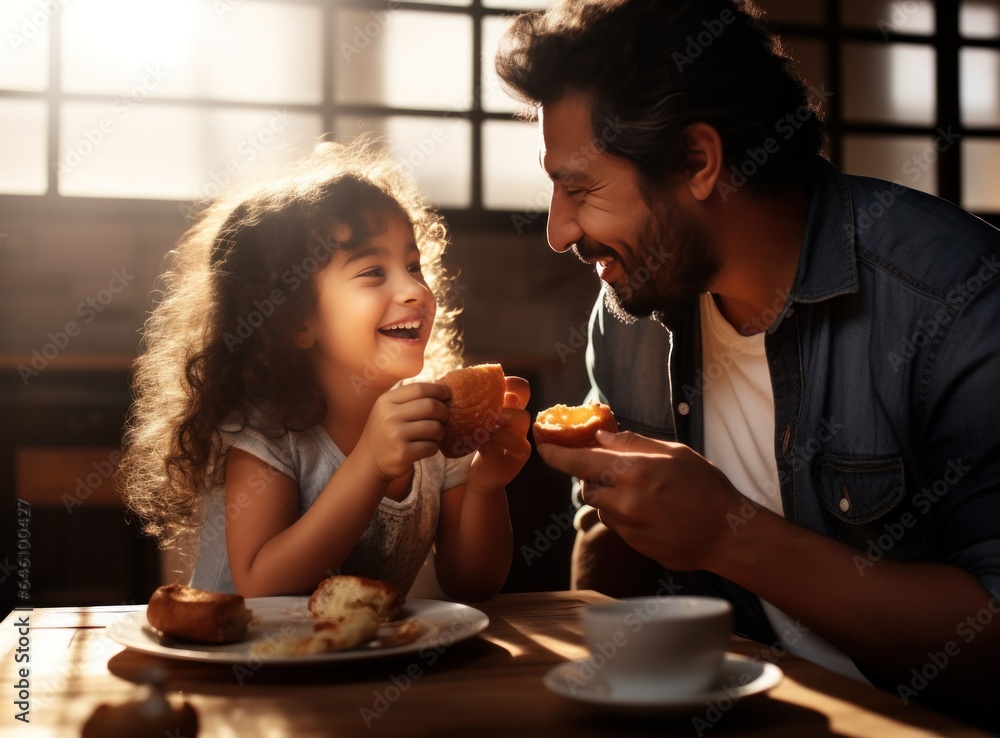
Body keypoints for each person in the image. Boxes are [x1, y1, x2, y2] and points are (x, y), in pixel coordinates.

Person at [496, 0, 1000, 725]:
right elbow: (612, 565)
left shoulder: (954, 303)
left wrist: (728, 532)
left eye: (580, 188)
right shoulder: (633, 311)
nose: (557, 231)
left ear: (699, 162)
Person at [119, 141, 531, 602]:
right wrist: (370, 465)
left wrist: (485, 485)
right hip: (243, 666)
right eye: (374, 271)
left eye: (413, 266)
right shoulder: (267, 434)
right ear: (296, 319)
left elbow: (471, 583)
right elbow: (261, 587)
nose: (414, 289)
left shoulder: (435, 426)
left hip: (359, 666)